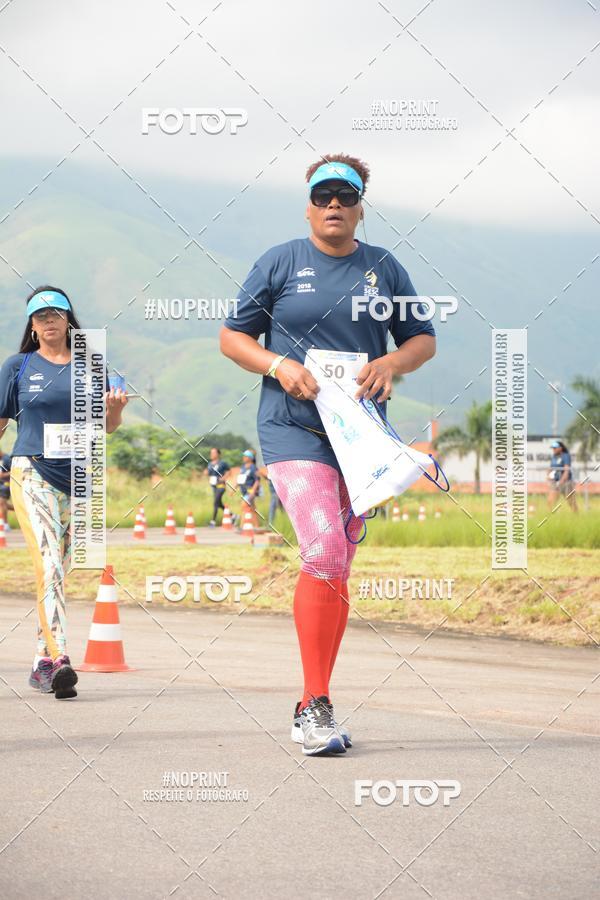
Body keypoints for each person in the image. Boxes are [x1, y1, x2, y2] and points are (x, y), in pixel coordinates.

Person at [220, 153, 436, 755]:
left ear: (362, 206)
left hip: (360, 435)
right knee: (320, 546)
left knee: (338, 559)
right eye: (323, 197)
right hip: (291, 428)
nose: (333, 205)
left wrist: (392, 363)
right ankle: (315, 705)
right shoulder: (281, 261)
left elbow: (423, 338)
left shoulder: (383, 268)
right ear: (309, 206)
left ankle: (315, 699)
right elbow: (232, 337)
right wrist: (279, 364)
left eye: (345, 195)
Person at [0, 286, 128, 699]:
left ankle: (41, 663)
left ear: (69, 319)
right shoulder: (18, 366)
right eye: (40, 316)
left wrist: (116, 409)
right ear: (32, 326)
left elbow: (107, 427)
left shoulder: (93, 365)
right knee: (51, 566)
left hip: (81, 479)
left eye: (56, 313)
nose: (49, 321)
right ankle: (59, 659)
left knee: (59, 573)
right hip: (31, 471)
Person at [547, 439, 577, 511]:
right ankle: (550, 518)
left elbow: (566, 469)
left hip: (566, 482)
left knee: (571, 502)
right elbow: (551, 468)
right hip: (556, 482)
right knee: (550, 502)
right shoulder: (554, 457)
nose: (553, 449)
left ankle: (577, 517)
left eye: (555, 448)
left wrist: (562, 480)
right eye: (553, 448)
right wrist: (548, 476)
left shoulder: (566, 456)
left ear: (560, 448)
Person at [205, 447, 231, 526]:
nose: (212, 454)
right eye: (211, 453)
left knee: (215, 503)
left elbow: (229, 471)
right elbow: (209, 473)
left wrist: (223, 478)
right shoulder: (210, 464)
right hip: (214, 486)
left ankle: (213, 521)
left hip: (221, 486)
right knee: (219, 503)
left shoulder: (222, 463)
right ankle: (233, 516)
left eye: (213, 453)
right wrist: (206, 473)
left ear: (218, 454)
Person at [0, 447, 12, 528]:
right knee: (2, 504)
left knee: (2, 502)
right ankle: (20, 510)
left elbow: (14, 470)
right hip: (0, 483)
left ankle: (5, 524)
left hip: (6, 484)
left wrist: (4, 475)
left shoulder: (7, 459)